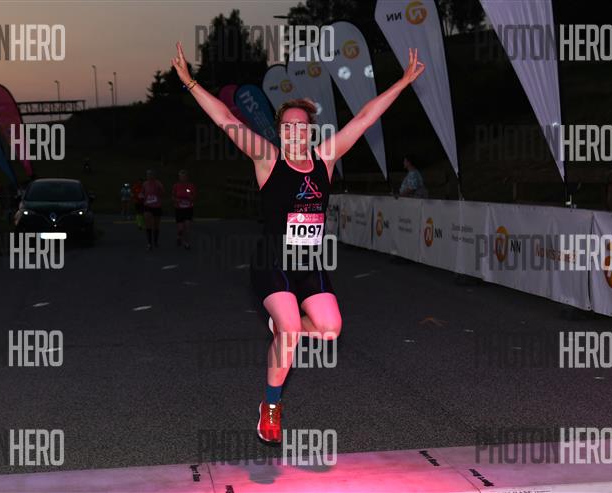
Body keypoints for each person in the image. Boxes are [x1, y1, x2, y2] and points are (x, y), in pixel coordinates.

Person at [171, 42, 425, 443]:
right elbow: (225, 119)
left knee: (330, 329)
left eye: (301, 126)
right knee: (289, 331)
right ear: (280, 131)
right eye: (287, 126)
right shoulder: (267, 159)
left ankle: (284, 326)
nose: (294, 132)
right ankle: (271, 408)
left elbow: (364, 117)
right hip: (272, 261)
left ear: (310, 131)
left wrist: (403, 82)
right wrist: (190, 83)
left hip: (309, 264)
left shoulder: (326, 158)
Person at [172, 170, 196, 249]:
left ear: (187, 177)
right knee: (181, 228)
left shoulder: (191, 186)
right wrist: (177, 200)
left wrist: (190, 197)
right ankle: (179, 236)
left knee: (187, 226)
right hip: (179, 209)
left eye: (184, 176)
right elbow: (173, 197)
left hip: (188, 208)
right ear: (179, 177)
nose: (183, 178)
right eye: (181, 177)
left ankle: (186, 243)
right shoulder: (176, 186)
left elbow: (194, 196)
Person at [141, 169, 164, 250]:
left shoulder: (158, 184)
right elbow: (142, 193)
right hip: (147, 206)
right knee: (148, 224)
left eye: (151, 174)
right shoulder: (145, 184)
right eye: (148, 174)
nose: (149, 176)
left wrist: (157, 195)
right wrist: (141, 196)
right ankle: (149, 243)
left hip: (157, 206)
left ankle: (155, 241)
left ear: (154, 175)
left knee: (156, 225)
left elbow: (162, 194)